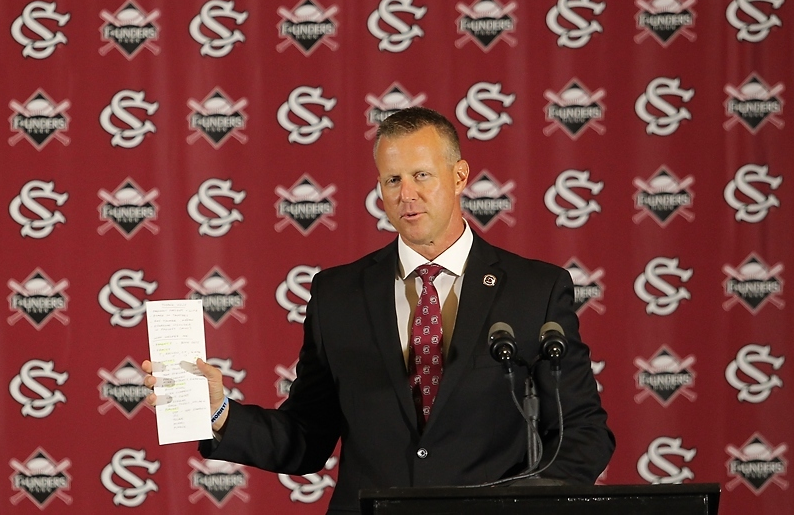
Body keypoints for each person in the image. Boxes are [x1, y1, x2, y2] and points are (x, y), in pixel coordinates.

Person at [142, 107, 614, 514]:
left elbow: (583, 433)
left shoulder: (535, 289)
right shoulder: (338, 294)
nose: (406, 194)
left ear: (460, 176)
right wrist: (219, 412)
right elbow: (307, 436)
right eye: (393, 179)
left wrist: (521, 508)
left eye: (421, 175)